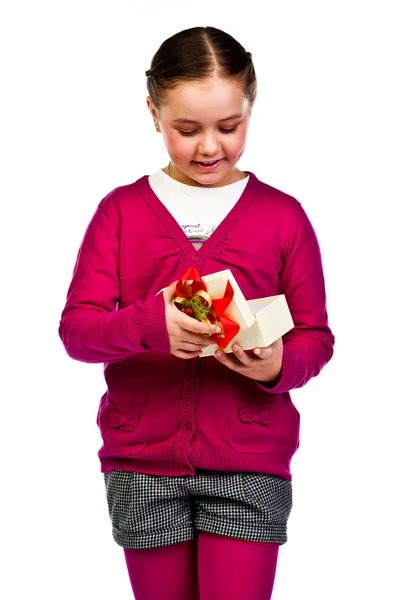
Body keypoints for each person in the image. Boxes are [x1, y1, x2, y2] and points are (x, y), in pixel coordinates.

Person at [58, 25, 335, 600]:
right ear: (153, 114)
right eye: (187, 130)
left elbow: (316, 337)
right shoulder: (121, 212)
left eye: (229, 127)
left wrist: (278, 365)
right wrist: (146, 327)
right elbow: (78, 332)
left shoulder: (283, 217)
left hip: (250, 459)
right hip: (141, 462)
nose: (210, 147)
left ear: (250, 109)